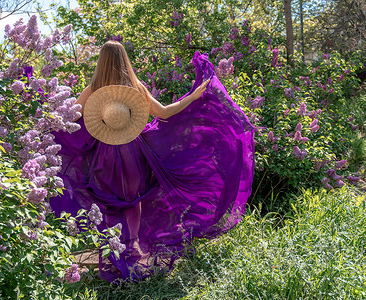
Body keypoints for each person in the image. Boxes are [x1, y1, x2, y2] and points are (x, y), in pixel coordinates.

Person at [50, 40, 255, 282]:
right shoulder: (135, 86)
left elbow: (70, 116)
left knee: (109, 201)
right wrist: (194, 96)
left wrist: (49, 121)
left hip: (103, 155)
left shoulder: (94, 87)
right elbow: (166, 112)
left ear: (101, 61)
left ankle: (114, 247)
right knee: (134, 201)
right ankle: (133, 245)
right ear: (124, 59)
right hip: (134, 152)